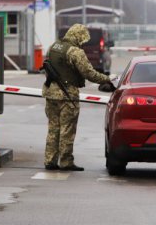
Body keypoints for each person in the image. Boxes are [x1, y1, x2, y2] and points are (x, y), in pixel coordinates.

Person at [42, 24, 116, 171]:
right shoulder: (75, 52)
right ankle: (65, 161)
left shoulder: (53, 46)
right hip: (68, 95)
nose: (83, 42)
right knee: (67, 130)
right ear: (78, 36)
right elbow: (89, 73)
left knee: (53, 128)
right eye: (83, 39)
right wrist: (107, 79)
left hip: (50, 93)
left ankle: (50, 160)